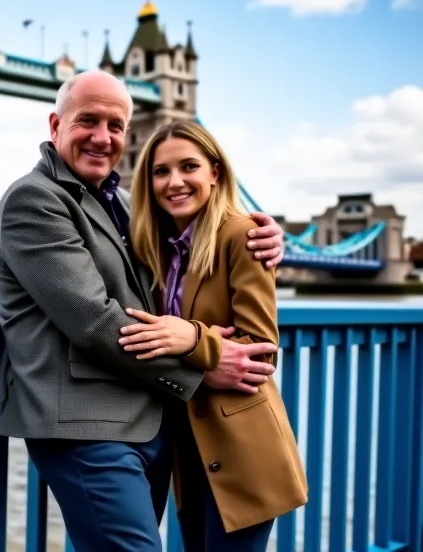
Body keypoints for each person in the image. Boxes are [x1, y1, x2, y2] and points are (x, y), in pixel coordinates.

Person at [0, 69, 285, 551]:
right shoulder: (34, 199)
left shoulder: (129, 203)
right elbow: (95, 321)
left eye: (116, 126)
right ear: (55, 124)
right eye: (87, 121)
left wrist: (264, 237)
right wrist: (203, 368)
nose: (102, 138)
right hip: (84, 426)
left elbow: (202, 232)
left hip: (152, 420)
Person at [118, 119, 307, 551]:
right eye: (161, 171)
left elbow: (260, 353)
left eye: (189, 167)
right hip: (187, 449)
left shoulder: (242, 235)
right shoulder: (152, 248)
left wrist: (192, 339)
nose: (175, 181)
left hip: (242, 452)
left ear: (215, 173)